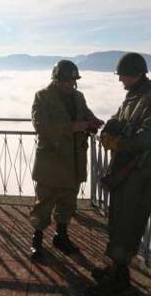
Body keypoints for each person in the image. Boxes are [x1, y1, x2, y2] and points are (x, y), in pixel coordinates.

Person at [89, 52, 151, 296]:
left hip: (140, 172)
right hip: (128, 170)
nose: (120, 79)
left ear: (137, 74)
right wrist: (110, 130)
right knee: (118, 220)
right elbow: (118, 120)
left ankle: (119, 279)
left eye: (123, 75)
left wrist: (120, 144)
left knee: (128, 224)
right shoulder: (134, 97)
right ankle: (117, 269)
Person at [29, 60, 103, 260]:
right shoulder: (42, 97)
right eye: (66, 80)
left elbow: (86, 114)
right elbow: (40, 125)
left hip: (73, 162)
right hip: (51, 162)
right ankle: (36, 241)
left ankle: (60, 236)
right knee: (43, 204)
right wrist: (72, 127)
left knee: (68, 203)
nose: (70, 84)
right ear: (56, 79)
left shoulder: (78, 97)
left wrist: (92, 121)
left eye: (72, 80)